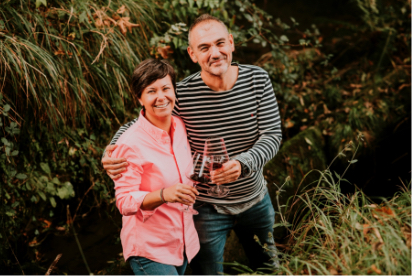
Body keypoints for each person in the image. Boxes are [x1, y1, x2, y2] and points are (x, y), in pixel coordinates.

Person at [103, 14, 282, 274]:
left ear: (231, 43)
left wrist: (244, 163)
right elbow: (141, 123)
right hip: (206, 208)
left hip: (255, 200)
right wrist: (111, 151)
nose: (215, 52)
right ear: (192, 54)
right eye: (204, 47)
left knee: (269, 267)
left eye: (220, 43)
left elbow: (272, 135)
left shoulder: (257, 80)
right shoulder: (181, 94)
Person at [109, 59, 200, 275]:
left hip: (183, 242)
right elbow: (123, 201)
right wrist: (164, 194)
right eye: (151, 91)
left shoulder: (181, 126)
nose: (161, 97)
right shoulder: (129, 143)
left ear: (174, 91)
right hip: (149, 249)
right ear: (139, 97)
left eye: (166, 88)